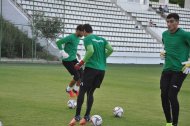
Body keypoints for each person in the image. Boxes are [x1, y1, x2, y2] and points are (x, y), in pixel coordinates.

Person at [69, 24, 113, 126]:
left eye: (83, 32)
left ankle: (77, 117)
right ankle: (87, 116)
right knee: (90, 92)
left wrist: (80, 63)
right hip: (101, 70)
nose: (83, 34)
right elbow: (111, 49)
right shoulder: (102, 39)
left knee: (82, 91)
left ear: (84, 31)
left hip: (91, 68)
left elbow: (90, 50)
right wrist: (102, 58)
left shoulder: (88, 38)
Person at [160, 13, 190, 126]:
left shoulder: (185, 35)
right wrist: (163, 52)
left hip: (180, 70)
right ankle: (168, 122)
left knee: (171, 95)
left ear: (177, 22)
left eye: (172, 21)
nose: (169, 24)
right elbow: (166, 46)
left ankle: (175, 124)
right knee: (163, 95)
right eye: (167, 21)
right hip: (167, 69)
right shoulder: (164, 34)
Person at [56, 25, 84, 97]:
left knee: (82, 74)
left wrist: (77, 53)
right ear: (78, 30)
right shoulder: (71, 37)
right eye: (82, 32)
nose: (83, 34)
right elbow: (58, 42)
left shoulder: (78, 38)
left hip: (74, 59)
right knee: (77, 76)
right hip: (67, 60)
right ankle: (68, 89)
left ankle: (75, 90)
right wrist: (62, 52)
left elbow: (72, 47)